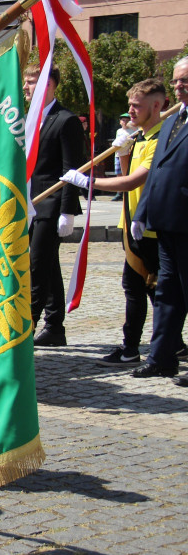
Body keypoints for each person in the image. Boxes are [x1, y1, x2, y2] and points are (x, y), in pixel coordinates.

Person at [60, 78, 186, 367]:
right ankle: (169, 344)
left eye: (137, 105)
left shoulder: (161, 140)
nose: (130, 110)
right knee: (141, 289)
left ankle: (139, 347)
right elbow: (127, 175)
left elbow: (131, 182)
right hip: (130, 222)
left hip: (152, 226)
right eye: (130, 104)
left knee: (151, 290)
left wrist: (89, 182)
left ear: (156, 106)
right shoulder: (140, 137)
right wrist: (124, 152)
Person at [130, 58, 188, 384]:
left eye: (186, 81)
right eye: (177, 81)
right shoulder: (171, 120)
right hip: (166, 222)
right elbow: (156, 172)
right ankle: (162, 358)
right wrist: (142, 213)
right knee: (167, 293)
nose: (179, 86)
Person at [23, 65, 83, 347]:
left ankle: (28, 327)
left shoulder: (65, 120)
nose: (26, 87)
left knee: (36, 267)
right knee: (48, 266)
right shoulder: (29, 119)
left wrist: (68, 210)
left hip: (51, 204)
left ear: (50, 84)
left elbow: (73, 168)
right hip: (30, 203)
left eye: (32, 81)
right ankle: (55, 326)